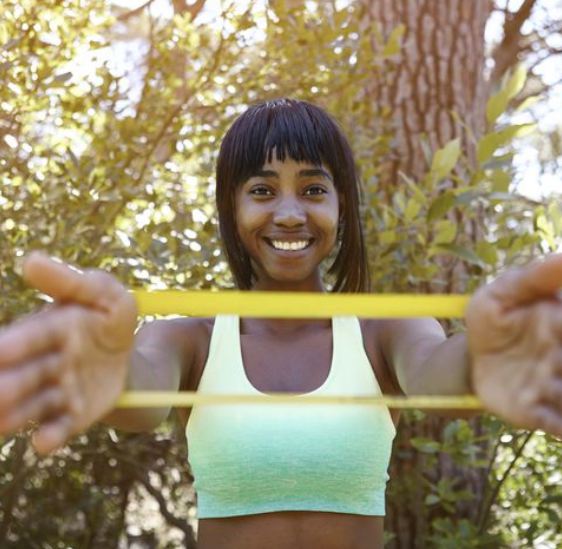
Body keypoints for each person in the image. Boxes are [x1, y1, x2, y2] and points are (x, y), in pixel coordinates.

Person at [0, 98, 561, 549]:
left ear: (343, 208)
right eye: (262, 191)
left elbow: (439, 371)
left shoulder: (384, 333)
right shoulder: (188, 340)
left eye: (313, 190)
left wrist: (485, 352)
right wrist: (103, 363)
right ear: (232, 207)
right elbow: (139, 394)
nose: (290, 213)